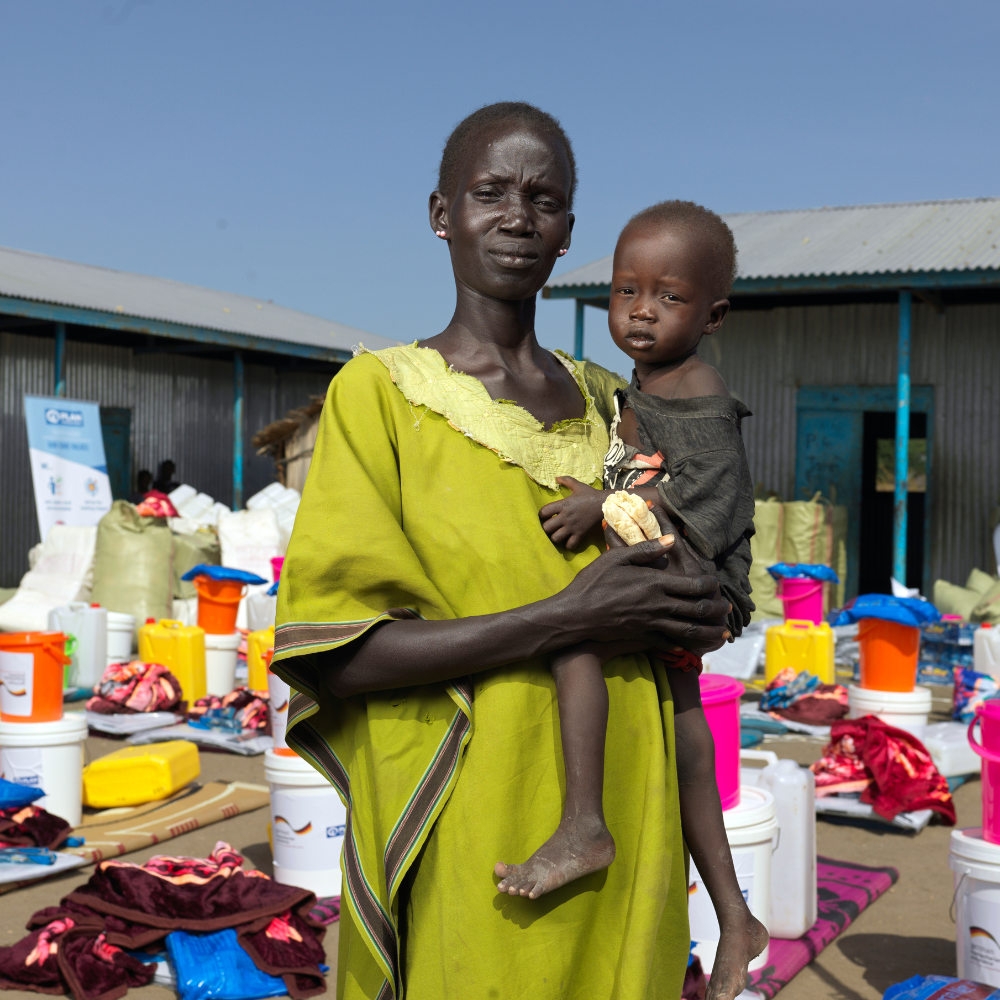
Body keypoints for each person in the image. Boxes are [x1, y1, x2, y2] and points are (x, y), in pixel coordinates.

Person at [272, 102, 740, 1000]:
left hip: (631, 803)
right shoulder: (383, 397)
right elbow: (339, 655)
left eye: (545, 198)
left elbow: (705, 577)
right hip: (477, 814)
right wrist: (565, 618)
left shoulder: (623, 403)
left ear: (570, 231)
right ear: (443, 213)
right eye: (490, 192)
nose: (518, 217)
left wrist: (700, 599)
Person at [503, 200, 765, 991]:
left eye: (670, 297)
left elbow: (715, 504)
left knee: (574, 633)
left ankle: (585, 823)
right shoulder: (642, 387)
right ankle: (734, 915)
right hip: (669, 571)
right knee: (689, 740)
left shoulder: (701, 396)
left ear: (712, 315)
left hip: (692, 575)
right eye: (626, 292)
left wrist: (605, 507)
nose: (642, 311)